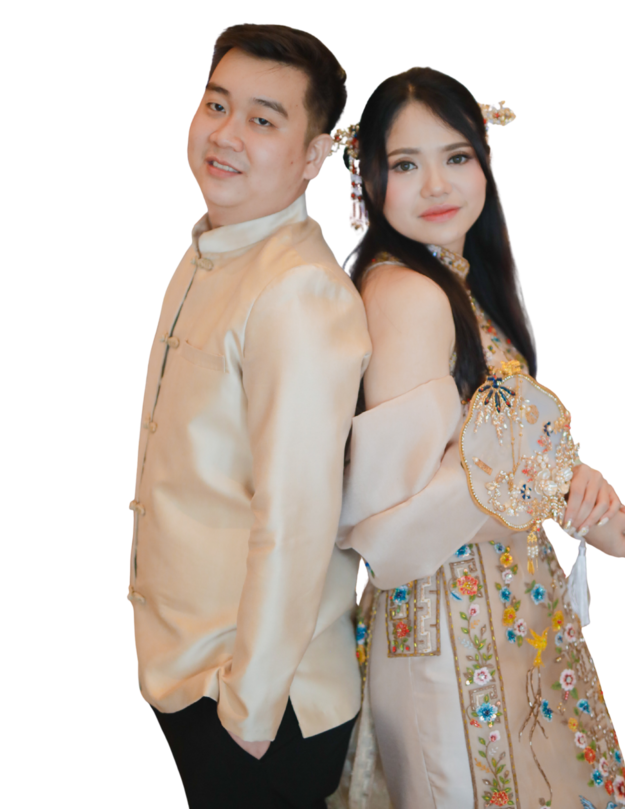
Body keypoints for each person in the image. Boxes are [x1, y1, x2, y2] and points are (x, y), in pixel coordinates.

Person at [330, 66, 625, 809]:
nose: (436, 184)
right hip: (450, 631)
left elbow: (495, 448)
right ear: (366, 178)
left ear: (485, 159)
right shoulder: (409, 293)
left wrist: (576, 493)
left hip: (496, 613)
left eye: (456, 156)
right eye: (405, 164)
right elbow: (394, 523)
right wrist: (550, 481)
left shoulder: (450, 278)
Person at [127, 22, 373, 809]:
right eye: (216, 105)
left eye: (263, 120)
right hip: (189, 670)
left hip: (261, 701)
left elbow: (297, 519)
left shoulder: (296, 290)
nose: (226, 134)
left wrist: (250, 710)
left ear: (314, 154)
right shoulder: (211, 245)